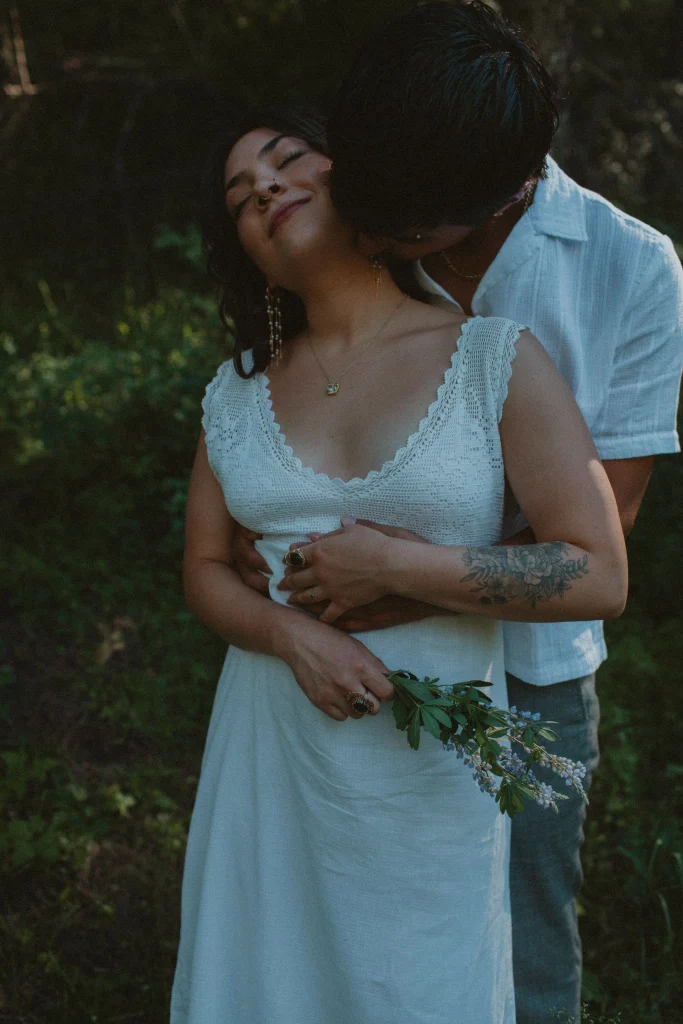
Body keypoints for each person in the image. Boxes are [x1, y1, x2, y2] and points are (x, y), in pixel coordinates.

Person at [231, 4, 683, 1021]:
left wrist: (399, 574)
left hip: (530, 676)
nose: (376, 234)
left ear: (498, 193)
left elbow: (611, 511)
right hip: (344, 662)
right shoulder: (377, 193)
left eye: (403, 229)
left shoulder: (630, 268)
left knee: (521, 935)